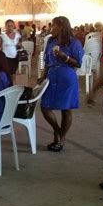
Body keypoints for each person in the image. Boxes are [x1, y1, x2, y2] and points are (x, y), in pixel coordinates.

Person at [39, 16, 83, 152]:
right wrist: (42, 77)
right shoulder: (51, 41)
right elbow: (47, 61)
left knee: (66, 109)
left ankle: (61, 139)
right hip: (52, 76)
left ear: (61, 27)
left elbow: (78, 63)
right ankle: (57, 131)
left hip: (66, 77)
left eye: (53, 26)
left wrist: (65, 57)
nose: (51, 28)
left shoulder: (74, 42)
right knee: (45, 106)